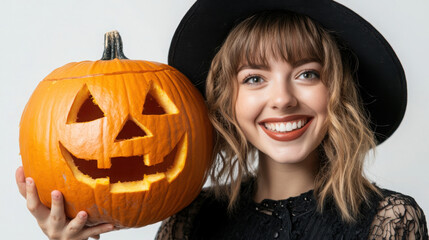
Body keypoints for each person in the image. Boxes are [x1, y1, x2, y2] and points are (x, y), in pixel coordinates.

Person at [16, 0, 428, 239]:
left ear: (338, 90)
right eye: (254, 78)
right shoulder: (191, 219)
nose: (282, 99)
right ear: (227, 100)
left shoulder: (389, 220)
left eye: (307, 73)